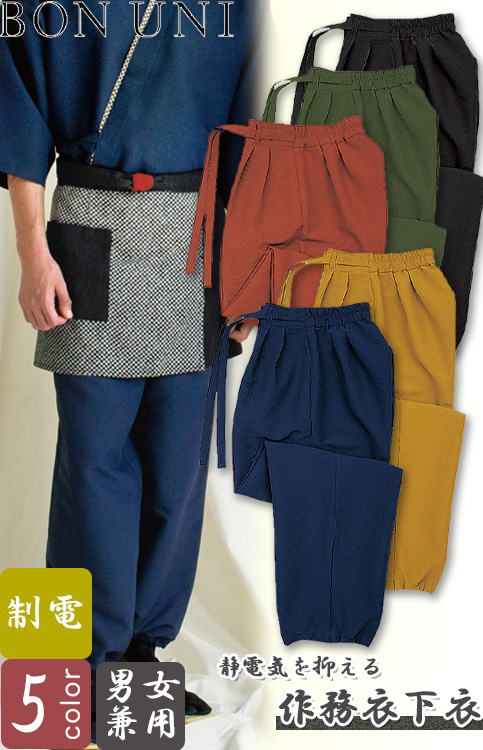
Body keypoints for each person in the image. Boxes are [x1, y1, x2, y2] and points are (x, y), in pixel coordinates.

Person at [0, 1, 262, 745]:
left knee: (178, 467)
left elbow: (253, 137)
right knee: (93, 465)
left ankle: (143, 660)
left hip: (199, 238)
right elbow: (19, 119)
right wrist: (31, 252)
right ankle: (79, 666)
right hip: (91, 221)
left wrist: (250, 268)